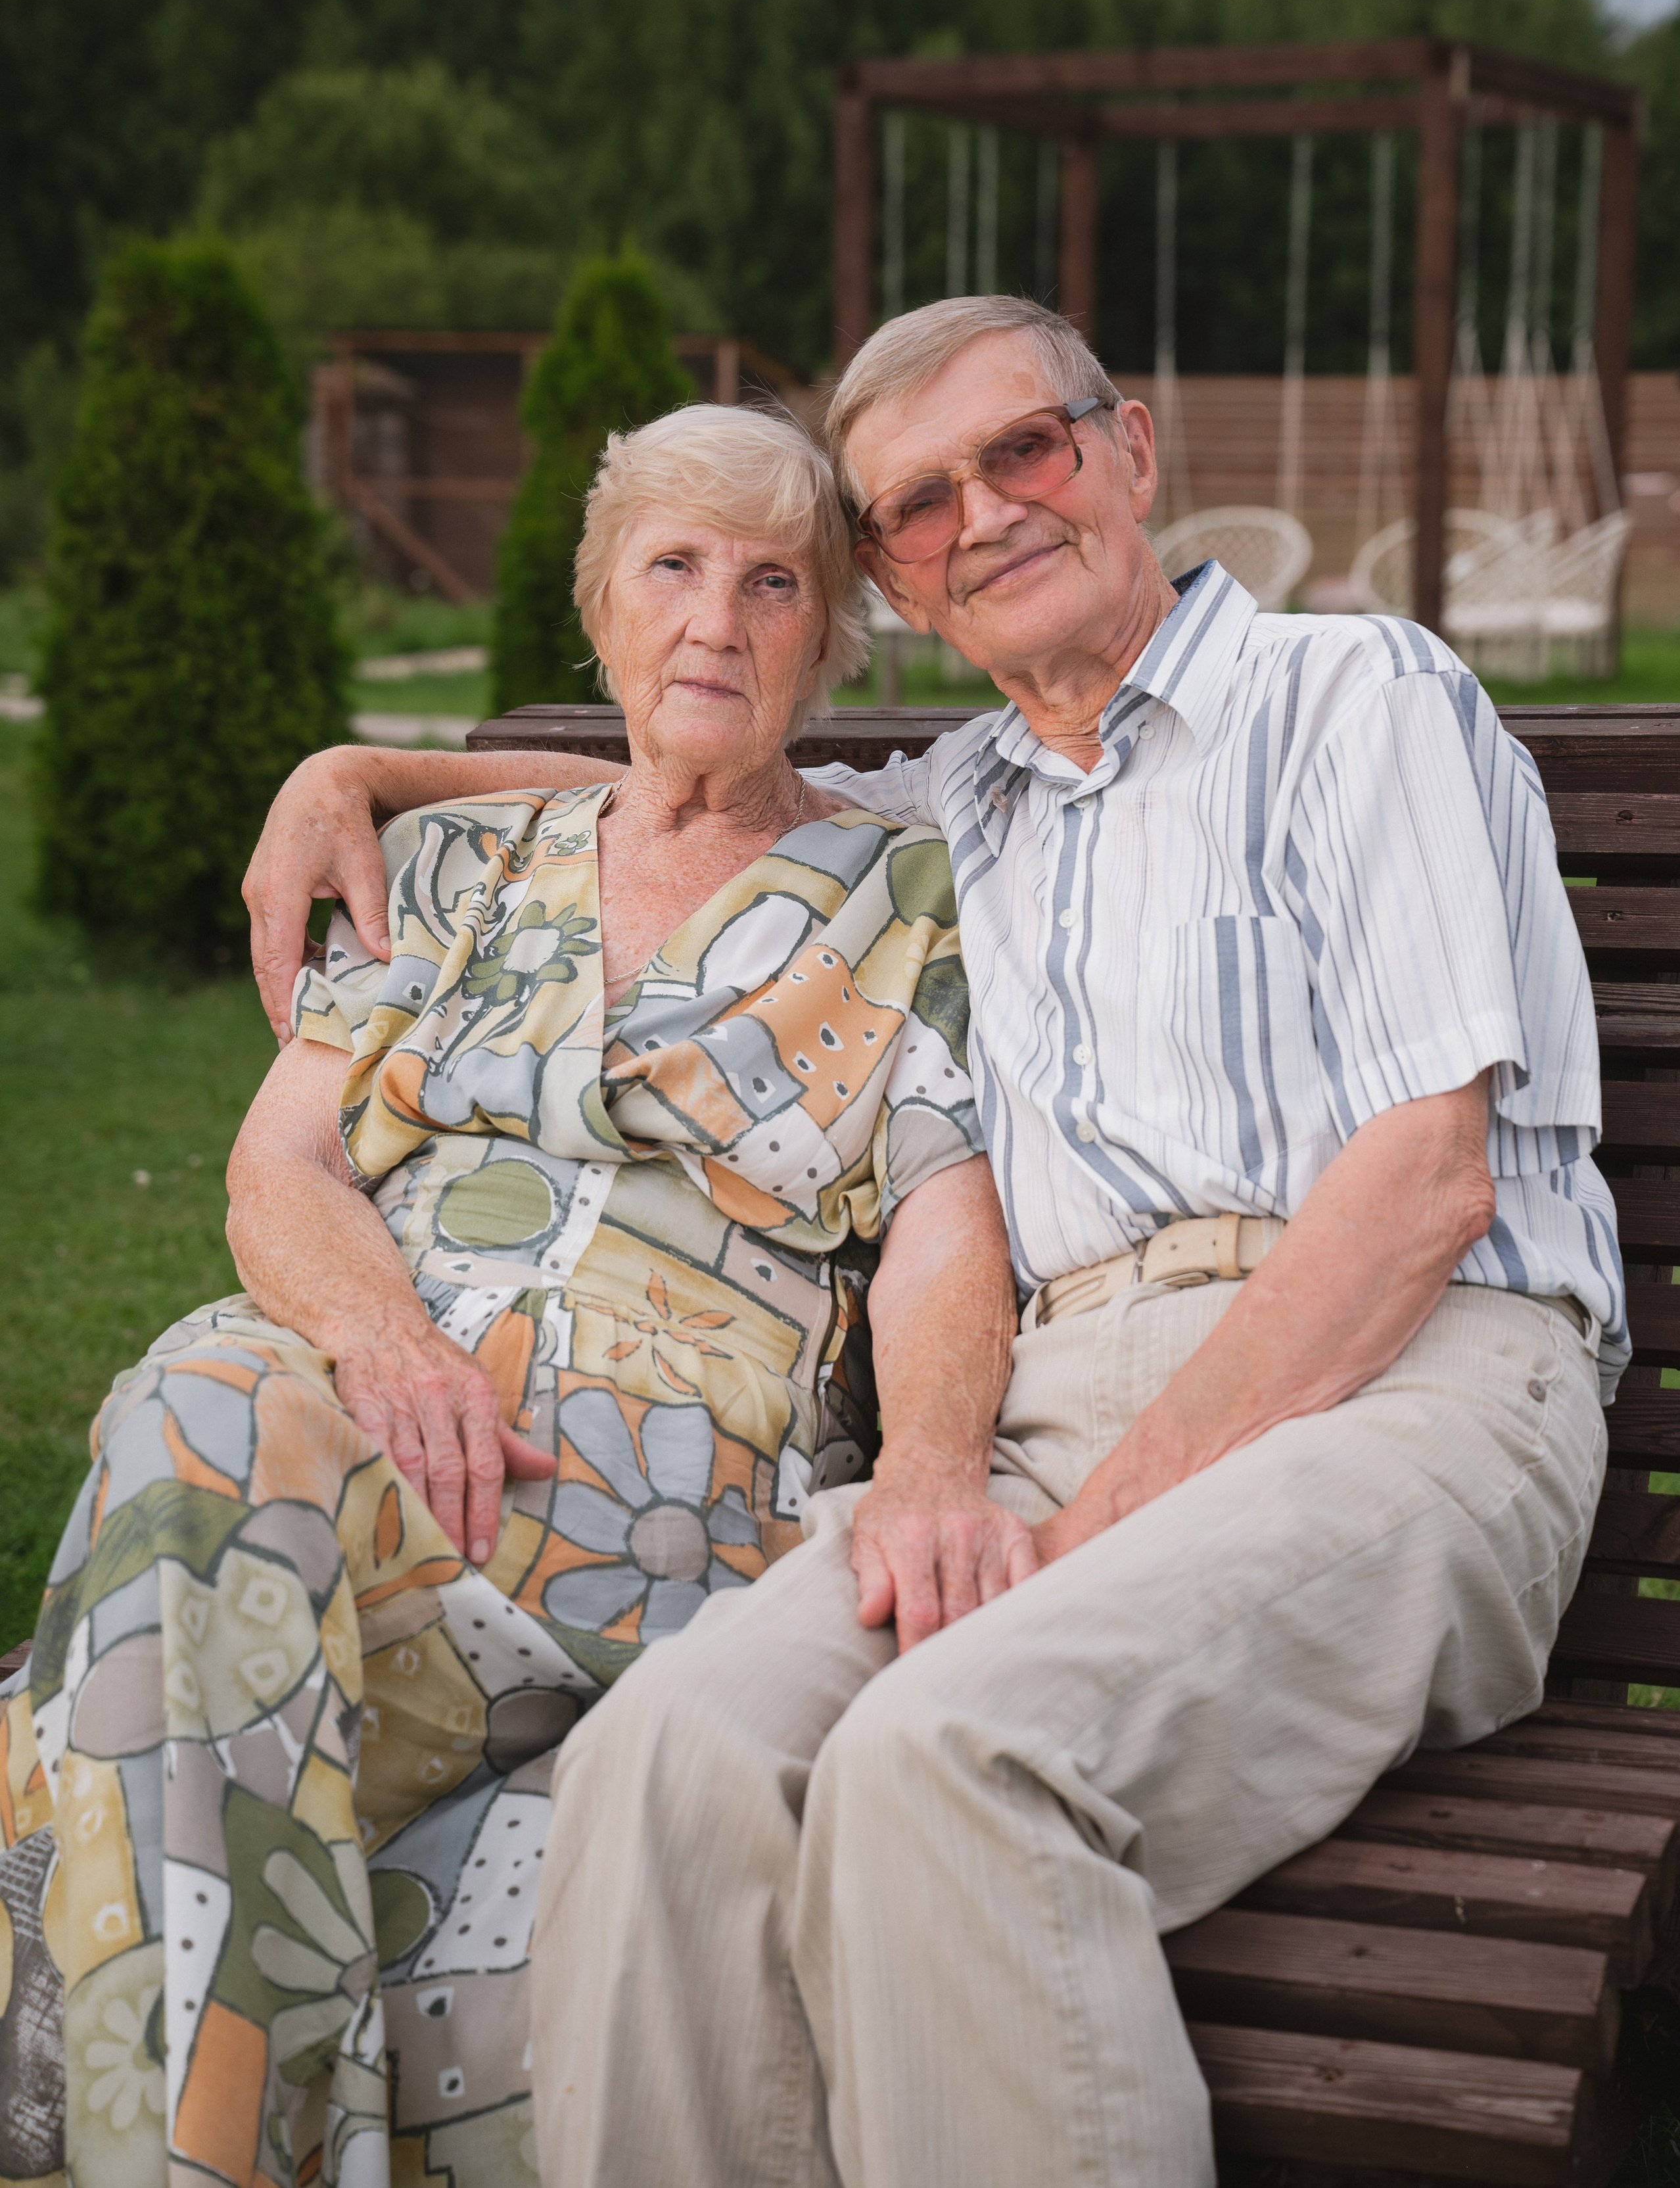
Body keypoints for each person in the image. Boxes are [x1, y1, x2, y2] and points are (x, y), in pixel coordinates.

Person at [240, 297, 1621, 2187]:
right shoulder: (956, 809)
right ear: (893, 571)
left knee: (942, 1759)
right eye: (914, 504)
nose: (982, 514)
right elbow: (693, 787)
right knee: (672, 1760)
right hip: (1061, 1412)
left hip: (1408, 1373)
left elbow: (1421, 1192)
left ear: (1129, 449)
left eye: (1025, 453)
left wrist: (1073, 1520)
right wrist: (361, 773)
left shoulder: (1348, 694)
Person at [0, 403, 1024, 2188]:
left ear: (830, 634)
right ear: (600, 607)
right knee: (207, 1399)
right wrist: (386, 1336)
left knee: (147, 1653)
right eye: (673, 568)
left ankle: (72, 1867)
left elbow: (944, 1219)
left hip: (644, 1525)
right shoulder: (462, 873)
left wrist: (936, 1451)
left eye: (774, 581)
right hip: (348, 1442)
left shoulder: (907, 892)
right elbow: (282, 1166)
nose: (716, 619)